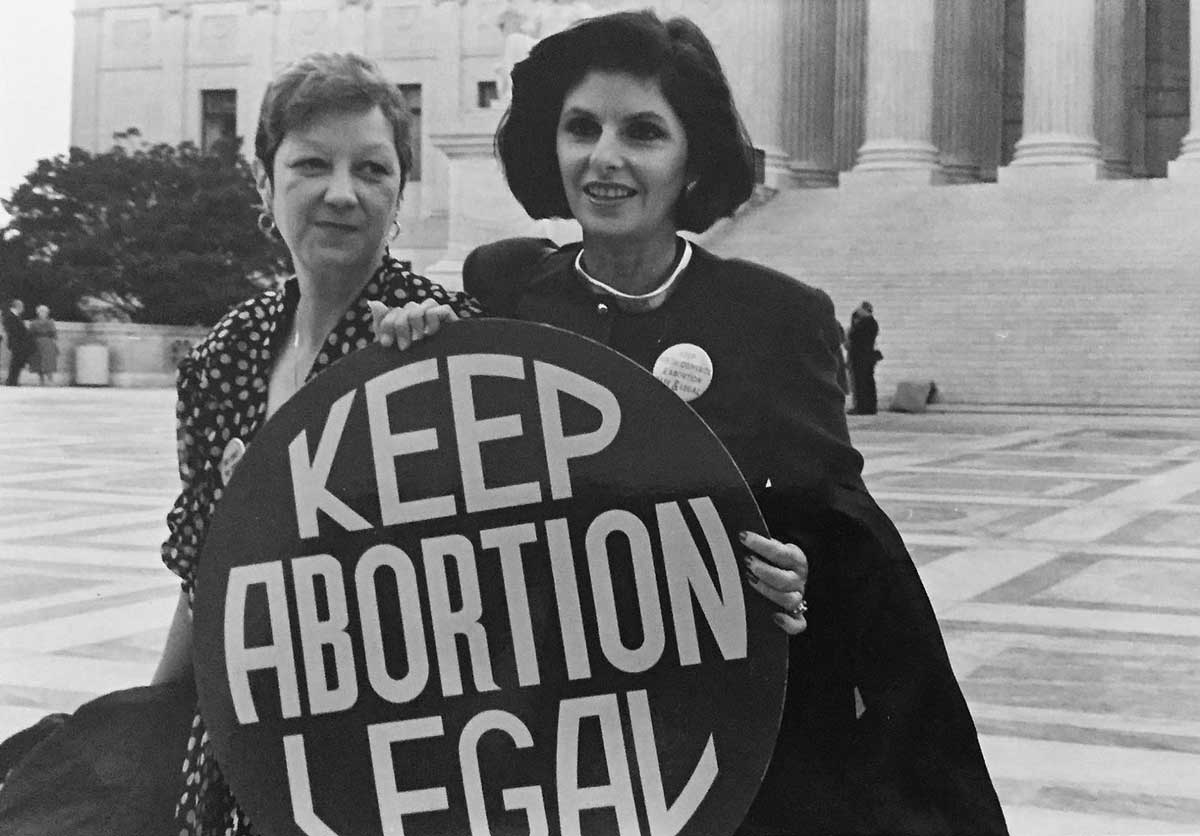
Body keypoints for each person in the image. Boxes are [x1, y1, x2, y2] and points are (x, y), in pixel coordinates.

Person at [383, 10, 1007, 834]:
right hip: (553, 749)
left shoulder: (777, 316)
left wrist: (801, 571)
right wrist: (411, 353)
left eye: (643, 132)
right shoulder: (503, 292)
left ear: (692, 158)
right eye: (580, 128)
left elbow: (840, 529)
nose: (604, 158)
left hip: (723, 751)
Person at [152, 52, 480, 836]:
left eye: (372, 168)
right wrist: (151, 724)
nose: (342, 192)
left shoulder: (447, 338)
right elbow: (204, 578)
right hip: (243, 741)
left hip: (395, 756)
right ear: (266, 184)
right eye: (310, 165)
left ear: (400, 190)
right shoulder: (227, 354)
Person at [847, 300, 880, 414]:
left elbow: (853, 336)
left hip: (861, 356)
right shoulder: (873, 323)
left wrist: (854, 321)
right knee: (868, 381)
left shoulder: (865, 323)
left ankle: (861, 407)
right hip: (867, 356)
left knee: (861, 382)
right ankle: (870, 407)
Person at [2, 299, 32, 386]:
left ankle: (13, 380)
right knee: (15, 362)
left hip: (19, 342)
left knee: (17, 361)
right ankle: (11, 381)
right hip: (16, 342)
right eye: (22, 306)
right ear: (17, 306)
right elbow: (12, 329)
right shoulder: (10, 316)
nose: (23, 308)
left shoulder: (16, 316)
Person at [27, 305, 59, 386]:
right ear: (38, 313)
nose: (42, 314)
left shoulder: (50, 322)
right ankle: (41, 380)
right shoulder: (33, 323)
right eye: (41, 312)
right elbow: (30, 334)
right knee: (39, 362)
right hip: (37, 344)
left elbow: (54, 334)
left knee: (49, 362)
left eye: (44, 312)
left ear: (47, 313)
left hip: (48, 344)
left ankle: (50, 380)